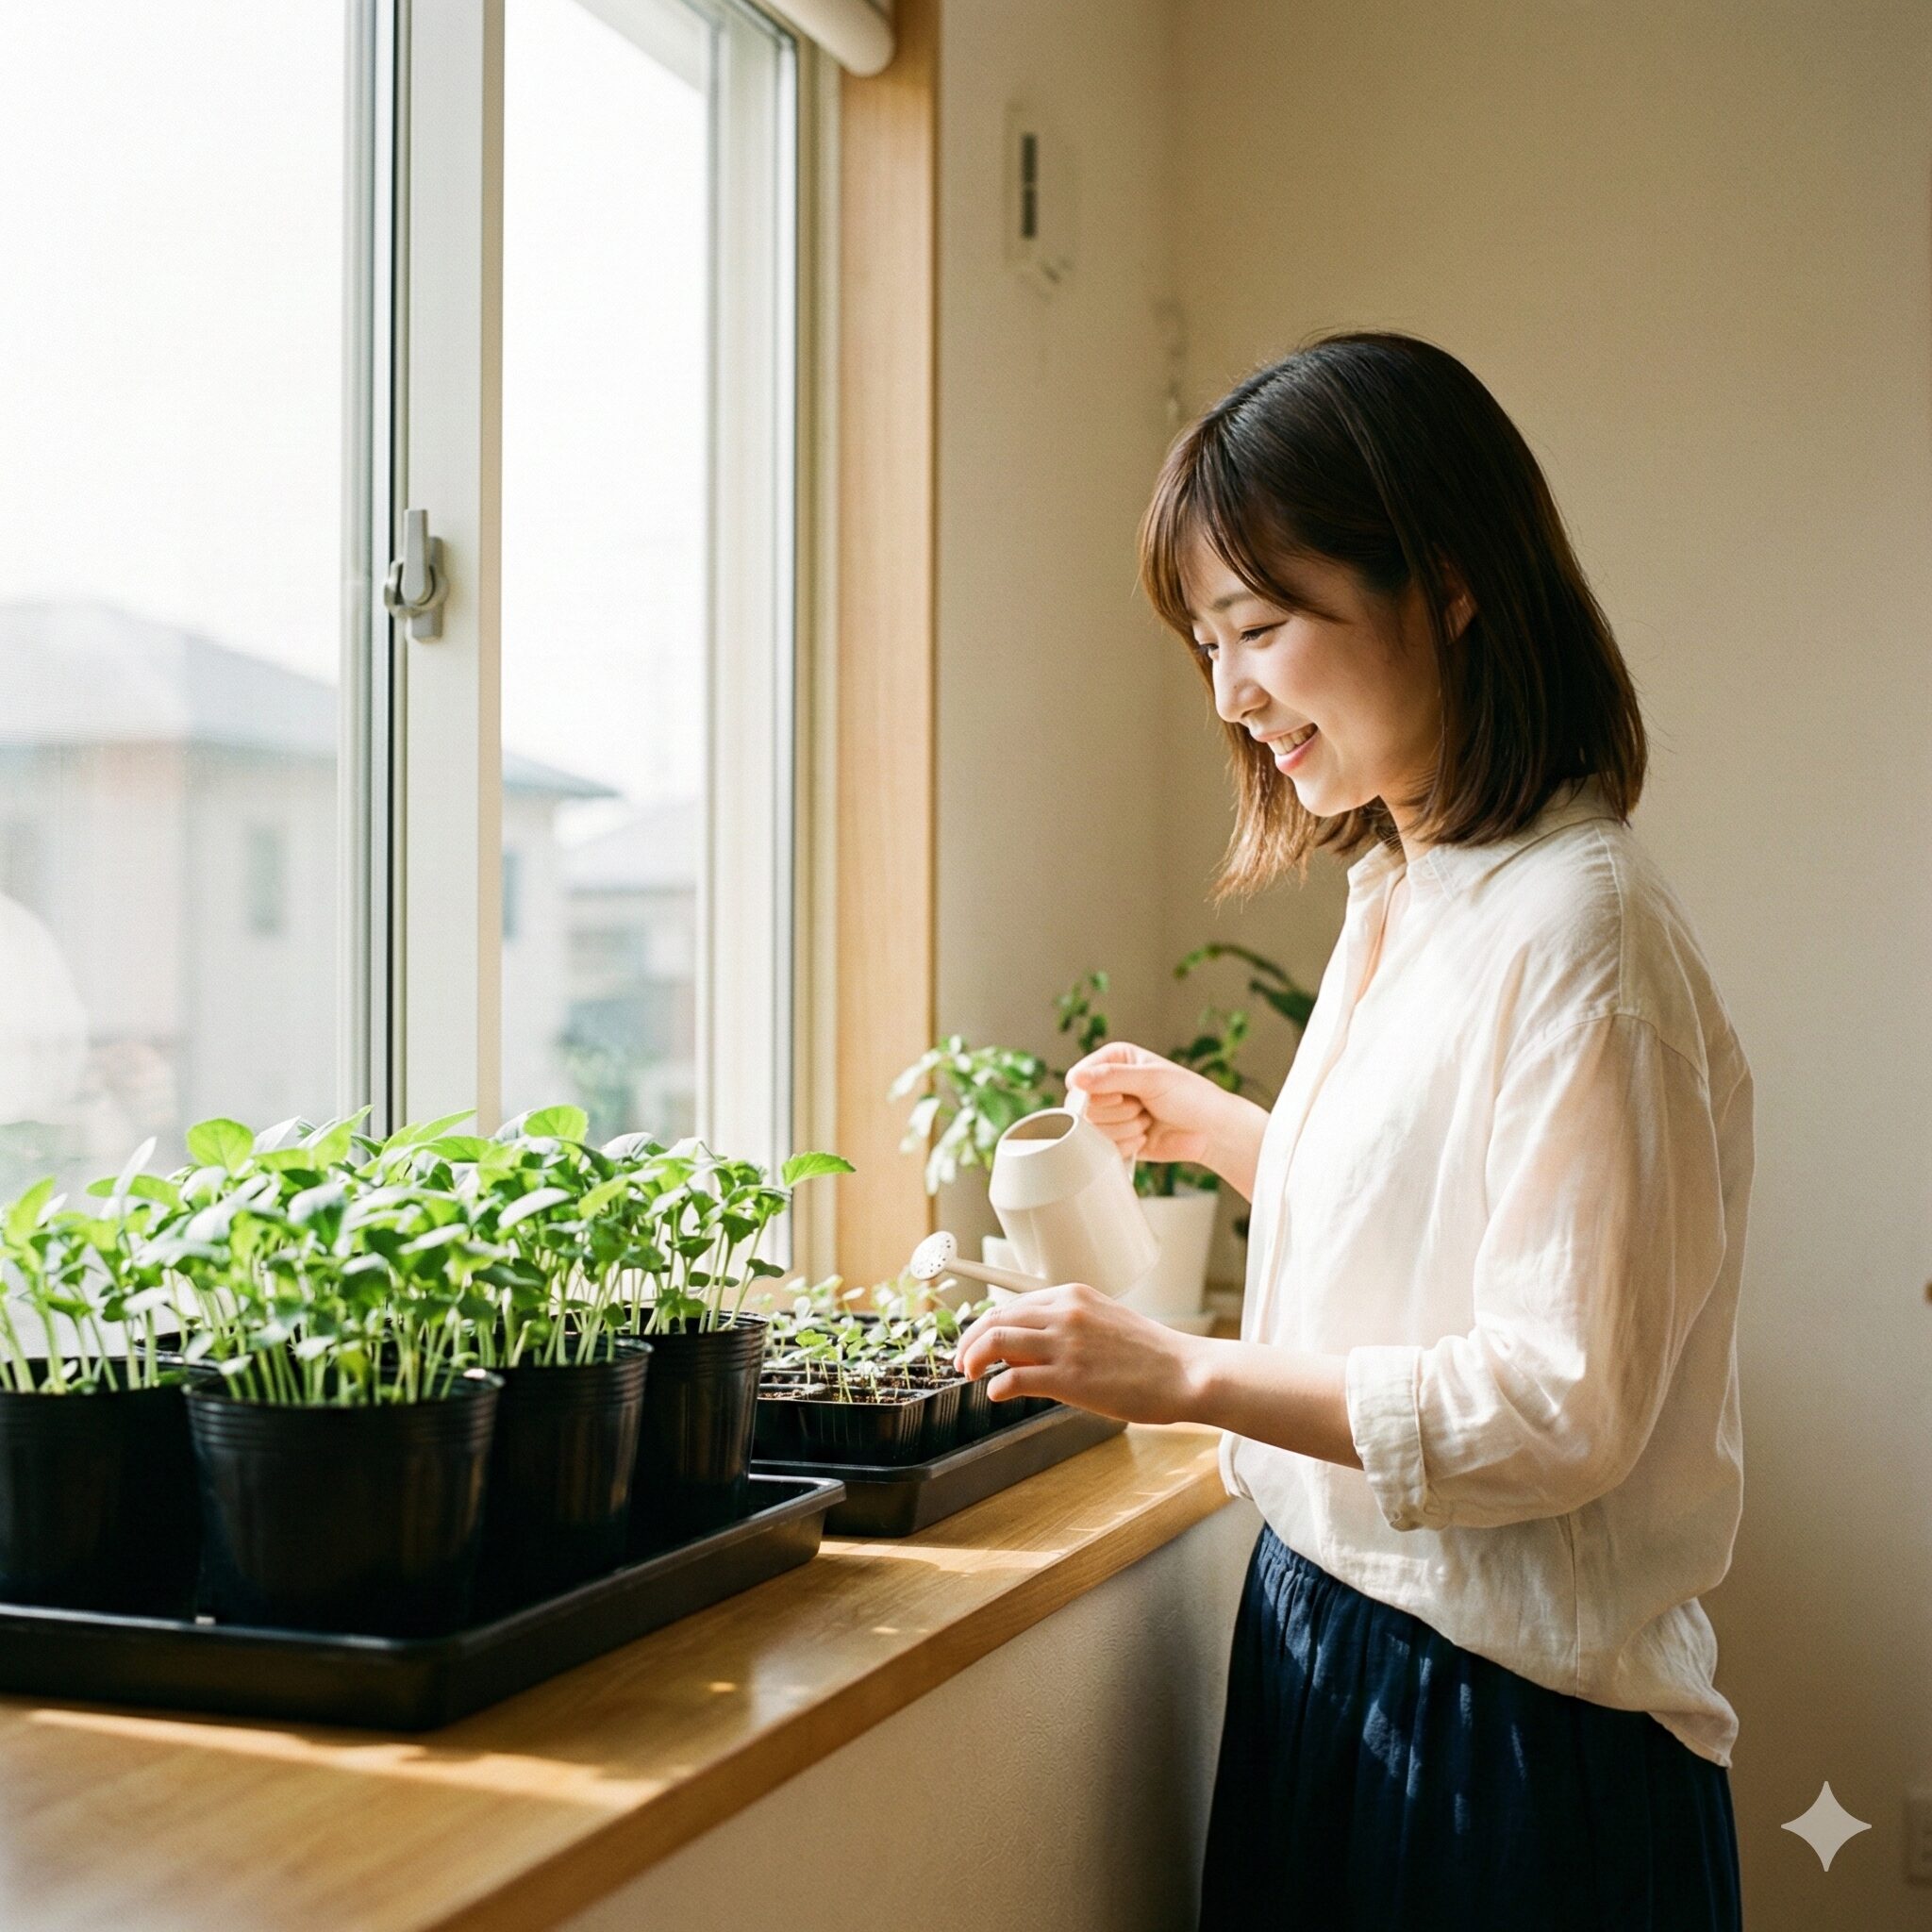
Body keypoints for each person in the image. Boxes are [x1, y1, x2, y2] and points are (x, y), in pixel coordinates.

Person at [955, 332, 1749, 1930]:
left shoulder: (1581, 935)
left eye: (1262, 626)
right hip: (1338, 1640)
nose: (1234, 695)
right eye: (1207, 642)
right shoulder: (1415, 881)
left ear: (1446, 582)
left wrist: (1181, 1374)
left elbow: (1557, 1403)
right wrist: (1242, 1137)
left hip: (1508, 1733)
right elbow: (1463, 1209)